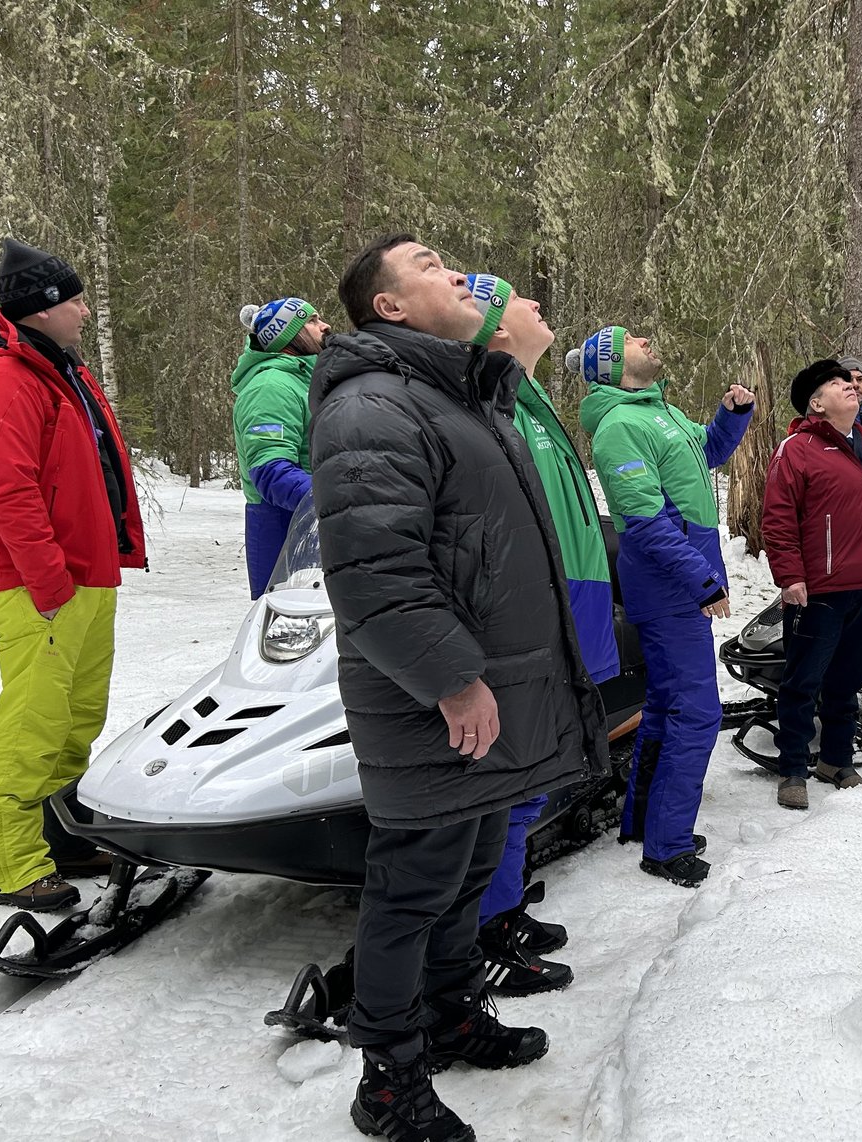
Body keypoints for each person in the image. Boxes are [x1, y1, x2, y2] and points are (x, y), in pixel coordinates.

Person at [309, 234, 605, 1142]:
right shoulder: (371, 407)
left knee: (471, 870)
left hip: (483, 692)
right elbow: (374, 571)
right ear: (389, 306)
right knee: (413, 888)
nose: (458, 273)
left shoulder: (456, 397)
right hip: (434, 701)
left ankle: (447, 1014)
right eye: (431, 264)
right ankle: (387, 1079)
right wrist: (452, 680)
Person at [0, 238, 147, 912]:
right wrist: (50, 585)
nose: (86, 312)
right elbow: (9, 494)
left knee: (74, 721)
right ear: (40, 309)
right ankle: (9, 866)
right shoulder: (2, 380)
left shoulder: (59, 369)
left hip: (83, 577)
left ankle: (59, 838)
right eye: (75, 300)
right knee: (32, 725)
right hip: (39, 585)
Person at [458, 273, 619, 997]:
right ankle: (482, 932)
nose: (539, 307)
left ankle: (505, 905)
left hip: (569, 600)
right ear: (495, 331)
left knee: (535, 772)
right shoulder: (492, 406)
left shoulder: (527, 396)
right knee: (508, 778)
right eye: (522, 301)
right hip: (529, 613)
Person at [573, 325, 753, 888]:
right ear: (610, 364)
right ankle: (668, 846)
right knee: (698, 715)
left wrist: (729, 417)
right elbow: (645, 524)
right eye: (632, 340)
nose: (648, 340)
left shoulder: (660, 413)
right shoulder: (620, 426)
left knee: (668, 705)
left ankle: (645, 822)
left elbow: (710, 452)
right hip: (668, 587)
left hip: (678, 584)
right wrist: (702, 580)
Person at [761, 360, 862, 811]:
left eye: (849, 380)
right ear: (817, 403)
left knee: (849, 680)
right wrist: (791, 577)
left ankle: (837, 761)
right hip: (819, 589)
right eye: (833, 382)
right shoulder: (797, 449)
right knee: (803, 681)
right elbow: (778, 519)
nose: (847, 385)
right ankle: (791, 769)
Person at [231, 297, 330, 598]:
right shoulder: (271, 387)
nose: (324, 325)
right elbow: (270, 472)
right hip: (283, 528)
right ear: (287, 334)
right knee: (290, 630)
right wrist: (339, 496)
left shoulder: (304, 379)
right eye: (311, 321)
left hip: (313, 520)